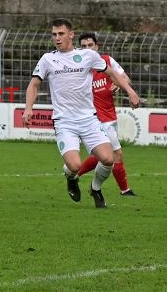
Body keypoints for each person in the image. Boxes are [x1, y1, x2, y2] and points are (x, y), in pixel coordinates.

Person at [22, 18, 140, 208]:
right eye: (54, 34)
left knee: (108, 159)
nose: (57, 38)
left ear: (71, 34)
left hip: (89, 120)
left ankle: (95, 188)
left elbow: (111, 73)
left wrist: (130, 91)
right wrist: (28, 108)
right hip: (64, 122)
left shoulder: (87, 56)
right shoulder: (47, 59)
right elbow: (33, 84)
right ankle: (71, 178)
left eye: (61, 34)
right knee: (75, 166)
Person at [76, 32, 135, 196]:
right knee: (116, 153)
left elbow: (125, 79)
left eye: (90, 45)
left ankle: (73, 175)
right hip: (96, 119)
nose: (88, 49)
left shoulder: (107, 62)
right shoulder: (79, 70)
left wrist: (120, 85)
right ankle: (125, 190)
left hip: (110, 116)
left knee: (100, 156)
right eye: (83, 46)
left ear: (97, 46)